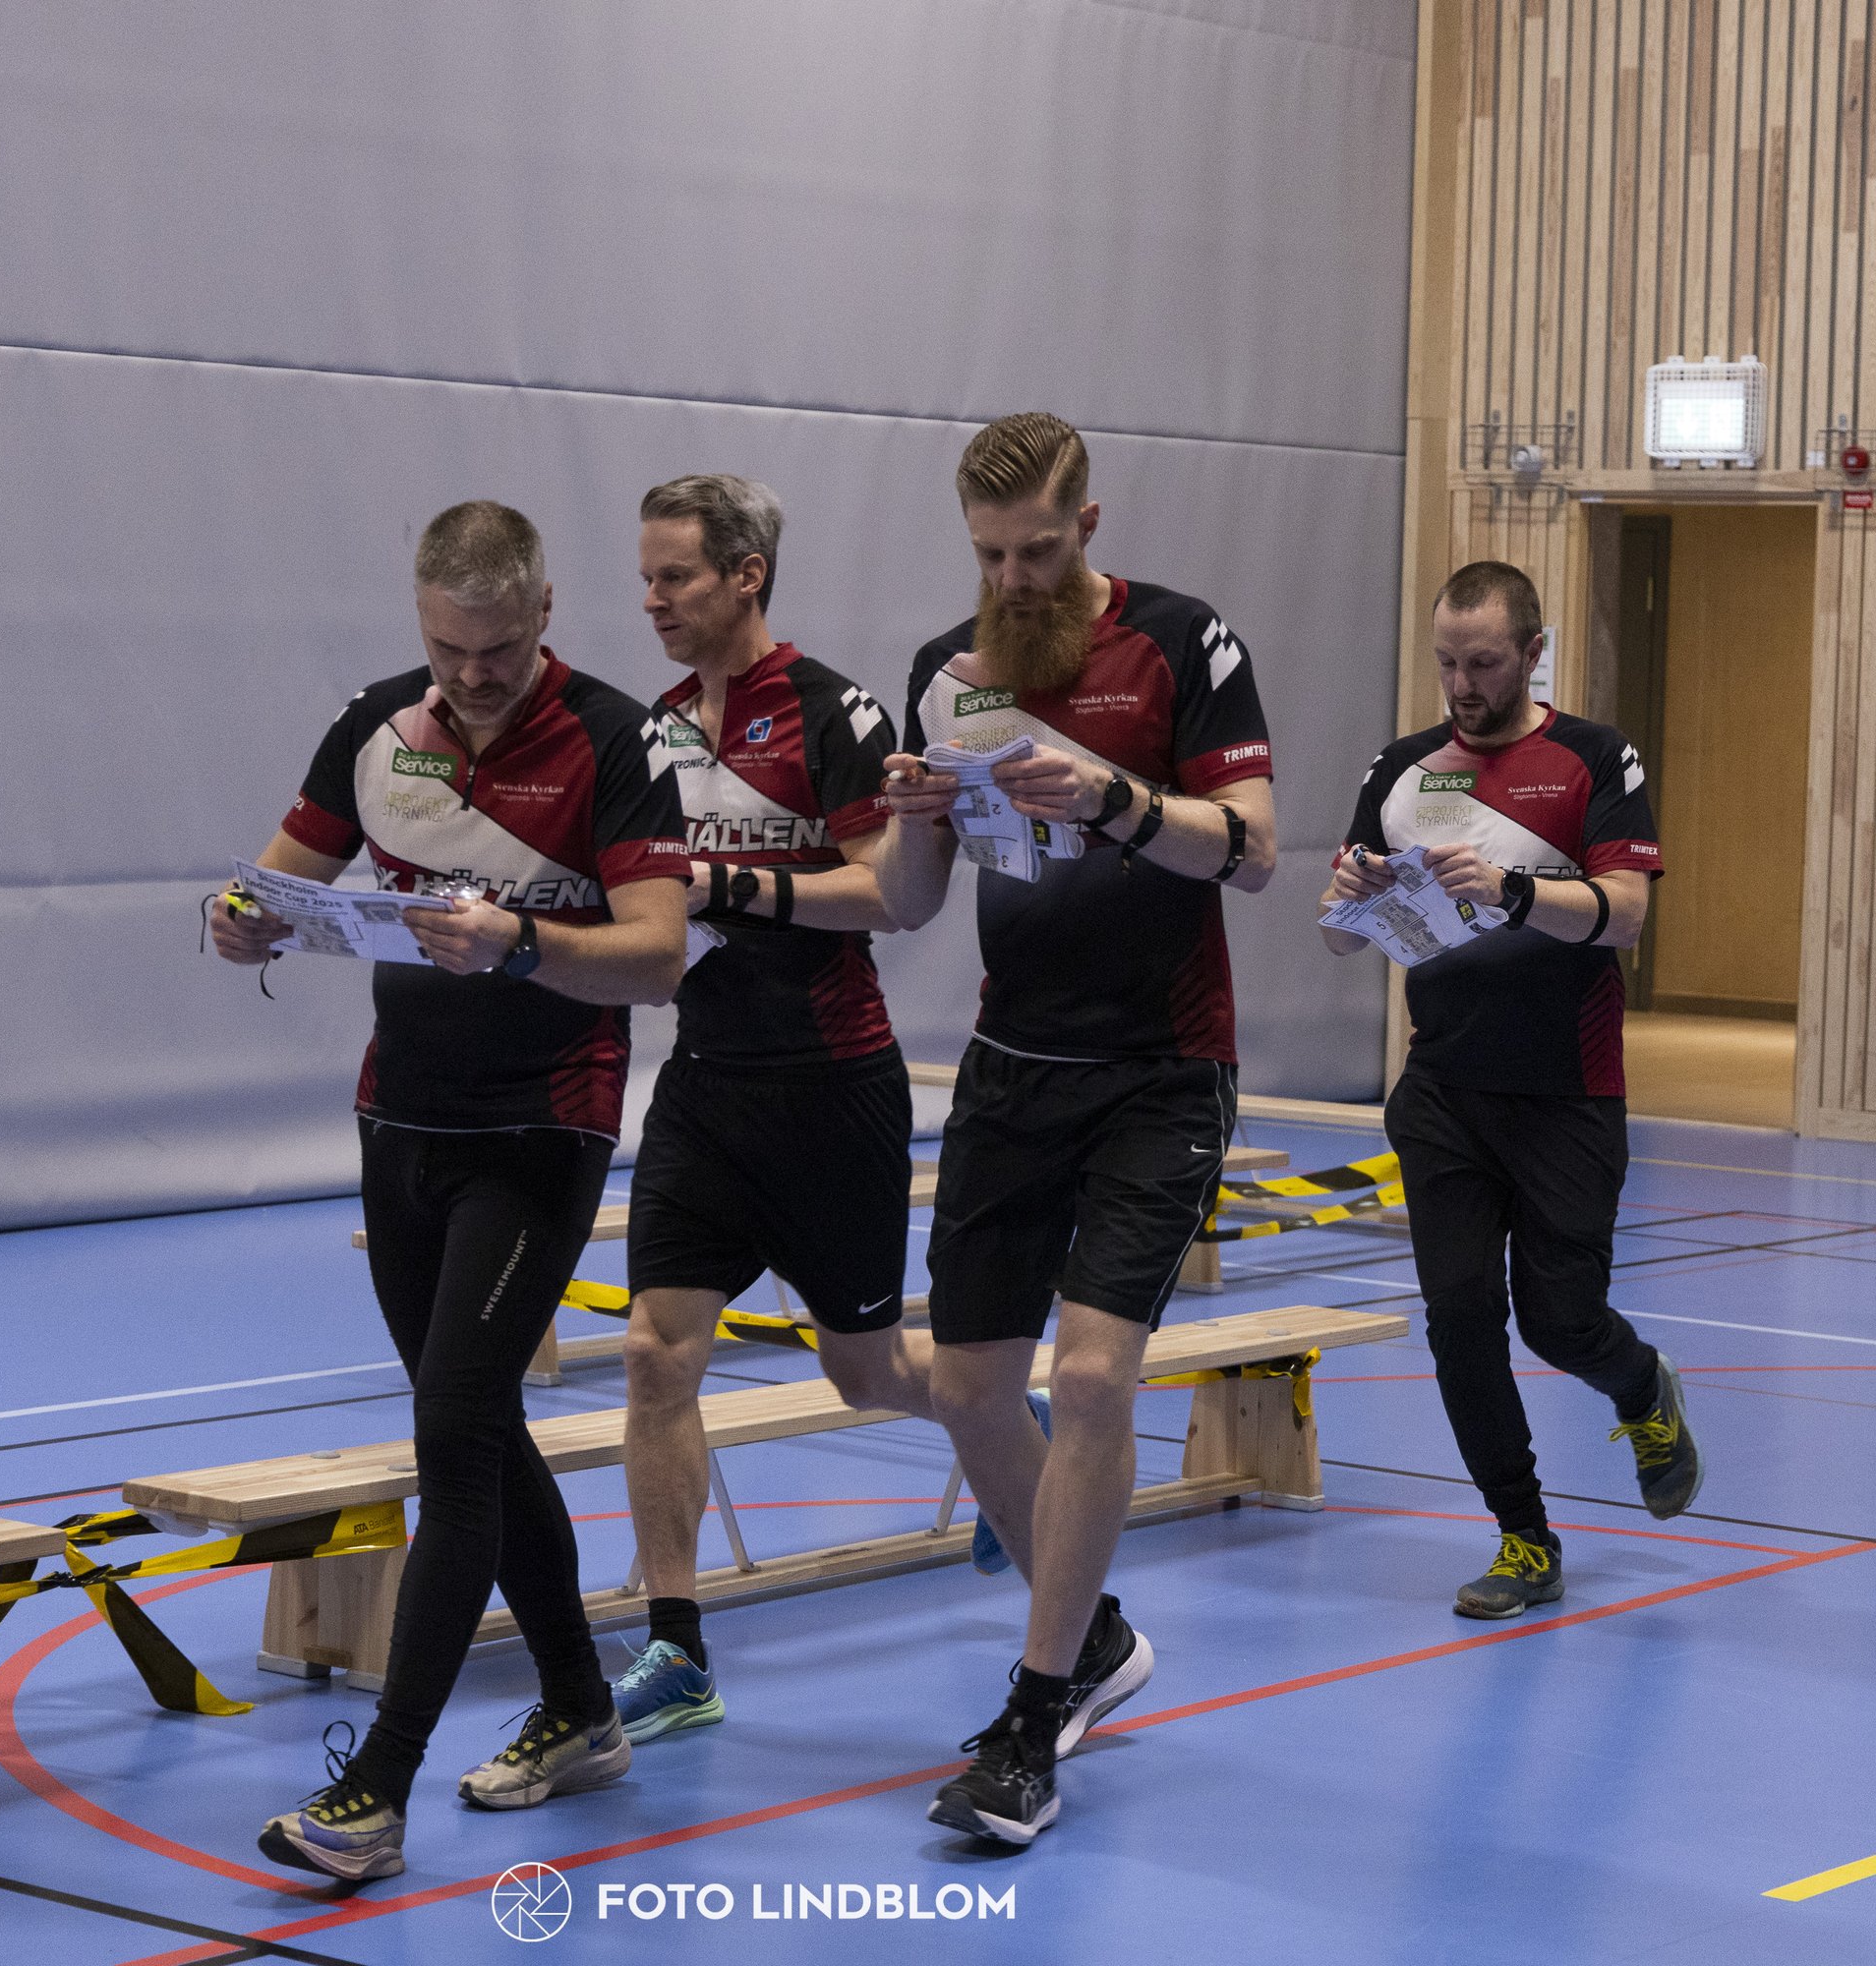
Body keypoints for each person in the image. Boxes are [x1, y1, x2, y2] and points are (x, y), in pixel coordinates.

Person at [212, 501, 690, 1883]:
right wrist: (238, 920)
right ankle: (585, 1710)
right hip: (399, 1120)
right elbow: (279, 878)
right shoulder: (376, 726)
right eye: (447, 648)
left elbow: (656, 956)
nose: (472, 674)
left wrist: (522, 941)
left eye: (496, 647)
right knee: (476, 1425)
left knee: (452, 1427)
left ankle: (377, 1785)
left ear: (544, 610)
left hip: (543, 1126)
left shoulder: (619, 740)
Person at [878, 413, 1278, 1845]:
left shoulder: (1184, 643)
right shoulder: (948, 670)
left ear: (1090, 528)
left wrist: (1113, 799)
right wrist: (913, 816)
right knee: (972, 1383)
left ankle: (1034, 1716)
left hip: (1160, 1069)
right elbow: (913, 903)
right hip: (1008, 1064)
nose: (1017, 576)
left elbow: (1253, 848)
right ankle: (1094, 1635)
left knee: (1097, 1377)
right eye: (991, 554)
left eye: (1040, 549)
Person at [613, 474, 938, 1744]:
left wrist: (735, 889)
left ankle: (982, 1406)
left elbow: (886, 895)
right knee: (653, 1353)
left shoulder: (831, 712)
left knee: (863, 1376)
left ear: (746, 575)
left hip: (833, 1086)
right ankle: (678, 1650)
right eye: (643, 578)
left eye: (675, 578)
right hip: (705, 1088)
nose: (652, 601)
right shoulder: (651, 727)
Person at [1319, 558, 1700, 1623]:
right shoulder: (1400, 769)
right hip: (1441, 1088)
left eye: (1483, 660)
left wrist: (1519, 889)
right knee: (1458, 1317)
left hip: (1566, 1090)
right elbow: (1343, 936)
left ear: (1532, 652)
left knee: (1559, 1320)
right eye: (1446, 660)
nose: (1462, 682)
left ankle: (1638, 1384)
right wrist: (1346, 899)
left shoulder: (1589, 756)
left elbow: (1624, 911)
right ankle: (1523, 1536)